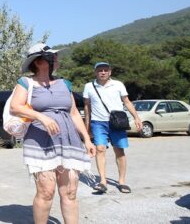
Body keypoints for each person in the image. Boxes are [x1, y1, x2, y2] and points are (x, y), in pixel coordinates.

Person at [10, 43, 96, 224]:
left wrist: (87, 139)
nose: (57, 58)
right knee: (46, 192)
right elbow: (15, 107)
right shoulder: (26, 83)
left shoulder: (65, 83)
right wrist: (41, 117)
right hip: (40, 142)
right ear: (40, 61)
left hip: (69, 140)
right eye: (52, 56)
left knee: (70, 192)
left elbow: (73, 113)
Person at [82, 61, 142, 194]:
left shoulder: (118, 84)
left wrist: (137, 117)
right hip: (98, 122)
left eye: (105, 70)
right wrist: (87, 126)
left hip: (117, 122)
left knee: (119, 151)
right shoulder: (89, 87)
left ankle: (122, 182)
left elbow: (126, 101)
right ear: (95, 72)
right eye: (100, 70)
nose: (102, 72)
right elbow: (87, 106)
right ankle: (103, 181)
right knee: (100, 149)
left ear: (110, 72)